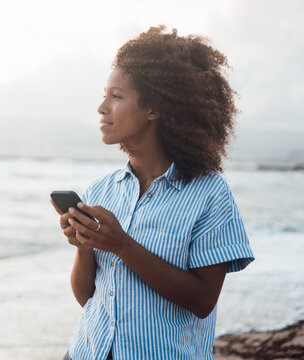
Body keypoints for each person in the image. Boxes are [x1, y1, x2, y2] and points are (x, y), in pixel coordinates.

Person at [51, 26, 255, 360]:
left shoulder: (209, 194)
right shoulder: (102, 190)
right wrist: (86, 245)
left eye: (116, 96)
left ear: (153, 109)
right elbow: (87, 296)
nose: (102, 107)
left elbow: (203, 300)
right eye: (104, 95)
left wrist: (121, 244)